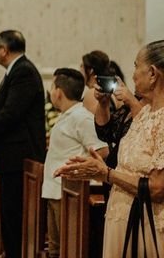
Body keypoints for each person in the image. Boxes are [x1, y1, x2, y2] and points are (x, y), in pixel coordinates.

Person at [55, 40, 164, 257]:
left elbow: (157, 188)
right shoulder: (144, 115)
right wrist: (95, 170)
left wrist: (106, 173)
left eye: (135, 66)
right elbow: (117, 151)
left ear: (152, 73)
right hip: (122, 219)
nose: (132, 75)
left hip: (145, 226)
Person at [0, 30, 46, 258]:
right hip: (12, 157)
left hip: (20, 158)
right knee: (9, 216)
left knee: (15, 217)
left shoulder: (23, 72)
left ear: (4, 50)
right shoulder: (16, 71)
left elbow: (11, 113)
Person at [41, 68, 108, 258]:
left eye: (52, 86)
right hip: (56, 191)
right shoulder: (67, 115)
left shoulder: (81, 118)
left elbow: (102, 151)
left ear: (58, 91)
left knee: (68, 249)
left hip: (69, 194)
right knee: (56, 249)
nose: (51, 91)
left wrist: (81, 170)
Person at [81, 50, 111, 114]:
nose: (80, 70)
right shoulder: (111, 91)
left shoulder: (92, 94)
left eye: (82, 66)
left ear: (90, 71)